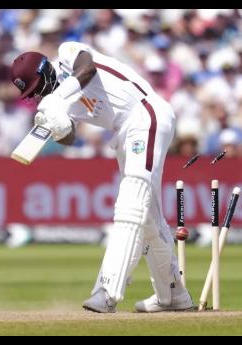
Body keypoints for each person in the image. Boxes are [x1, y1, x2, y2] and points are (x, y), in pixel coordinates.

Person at [10, 41, 194, 313]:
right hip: (124, 133)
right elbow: (71, 135)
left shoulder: (67, 54)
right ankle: (173, 295)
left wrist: (57, 99)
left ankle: (107, 290)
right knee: (147, 219)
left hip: (146, 114)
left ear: (46, 72)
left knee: (130, 204)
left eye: (38, 89)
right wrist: (58, 128)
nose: (37, 97)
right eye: (32, 95)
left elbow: (88, 69)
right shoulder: (59, 103)